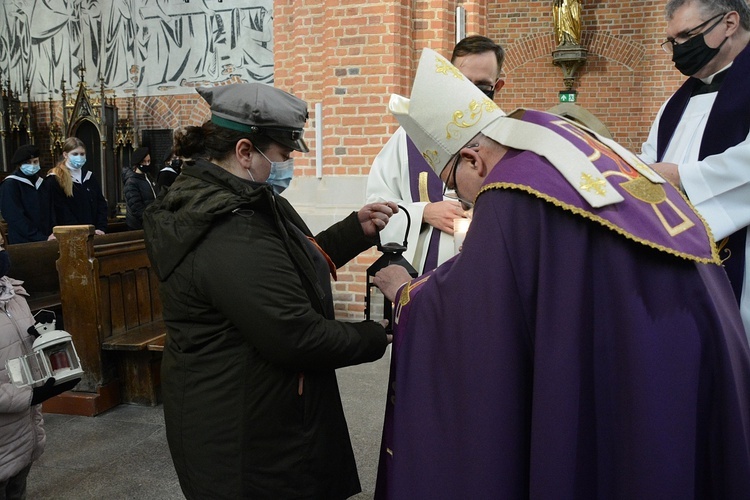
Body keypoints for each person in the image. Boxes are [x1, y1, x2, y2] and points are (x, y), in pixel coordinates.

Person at [372, 48, 750, 498]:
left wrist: (406, 293)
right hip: (696, 331)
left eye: (454, 182)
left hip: (645, 346)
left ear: (473, 158)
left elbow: (475, 308)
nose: (463, 194)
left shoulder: (512, 186)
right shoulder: (561, 145)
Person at [142, 82, 397, 499]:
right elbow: (295, 335)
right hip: (243, 435)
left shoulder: (243, 198)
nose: (288, 165)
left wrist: (354, 231)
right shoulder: (225, 225)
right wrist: (375, 334)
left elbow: (285, 265)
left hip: (261, 410)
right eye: (282, 156)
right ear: (245, 152)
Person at [641, 0, 750, 339]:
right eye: (671, 41)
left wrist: (685, 179)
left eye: (687, 36)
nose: (678, 51)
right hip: (676, 257)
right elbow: (648, 160)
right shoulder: (675, 103)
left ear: (730, 23)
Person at [365, 35, 505, 275]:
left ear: (497, 86)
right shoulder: (411, 133)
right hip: (420, 272)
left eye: (481, 87)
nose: (470, 95)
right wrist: (424, 213)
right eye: (463, 82)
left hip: (486, 270)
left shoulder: (506, 140)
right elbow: (376, 206)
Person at [0, 239, 78, 499]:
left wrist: (39, 334)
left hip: (22, 429)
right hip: (6, 426)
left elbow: (17, 348)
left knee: (18, 487)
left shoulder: (13, 293)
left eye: (0, 244)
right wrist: (31, 396)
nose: (1, 253)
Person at [40, 137, 108, 236]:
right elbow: (60, 210)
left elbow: (101, 204)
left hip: (93, 232)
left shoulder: (89, 177)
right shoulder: (55, 179)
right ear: (65, 155)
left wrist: (100, 227)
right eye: (75, 154)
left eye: (82, 154)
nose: (79, 157)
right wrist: (79, 231)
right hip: (69, 233)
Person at [0, 144, 51, 243]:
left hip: (47, 237)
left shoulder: (42, 183)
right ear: (19, 165)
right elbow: (14, 217)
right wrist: (38, 236)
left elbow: (50, 210)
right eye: (27, 162)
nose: (32, 165)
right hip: (23, 240)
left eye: (35, 162)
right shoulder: (10, 184)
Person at [123, 146, 157, 230]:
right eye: (144, 162)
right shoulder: (131, 182)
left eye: (149, 161)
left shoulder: (149, 177)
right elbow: (136, 207)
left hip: (151, 222)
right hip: (138, 226)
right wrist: (151, 218)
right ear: (138, 163)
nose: (147, 164)